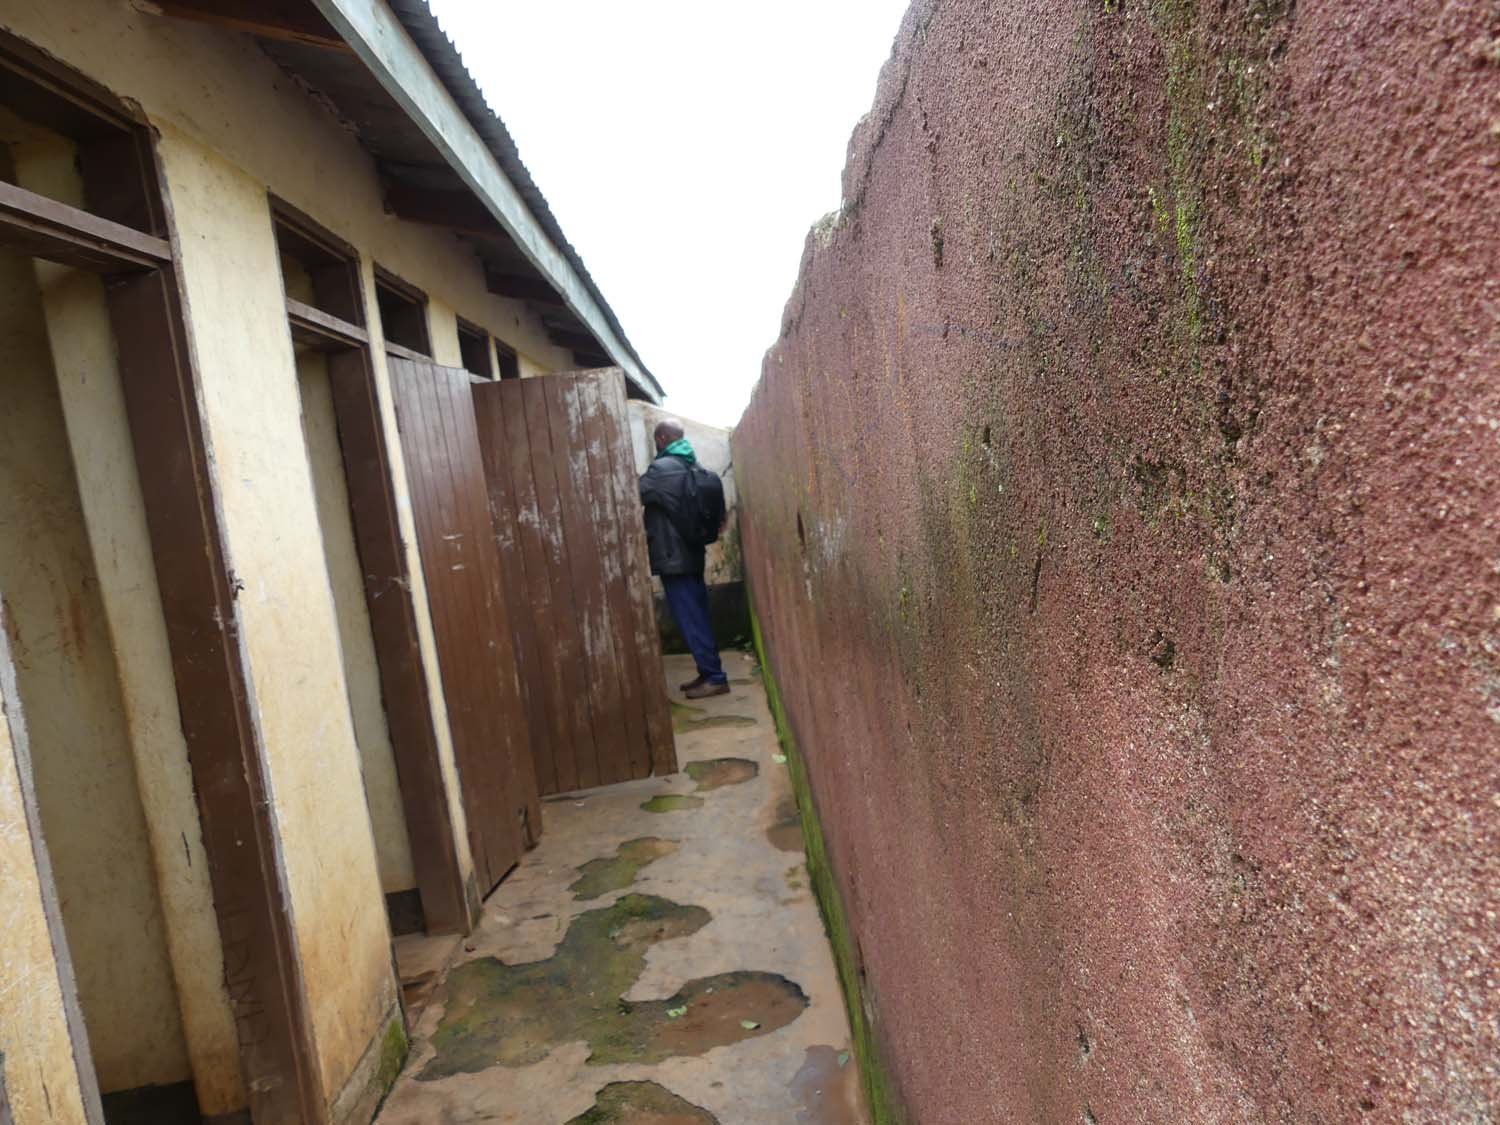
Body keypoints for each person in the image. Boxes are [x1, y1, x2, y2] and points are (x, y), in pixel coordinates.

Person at [639, 419, 729, 698]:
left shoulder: (660, 469)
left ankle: (714, 677)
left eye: (657, 439)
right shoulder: (696, 467)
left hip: (672, 558)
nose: (657, 444)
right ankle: (707, 672)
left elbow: (633, 492)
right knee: (697, 612)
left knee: (690, 618)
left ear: (663, 438)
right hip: (693, 553)